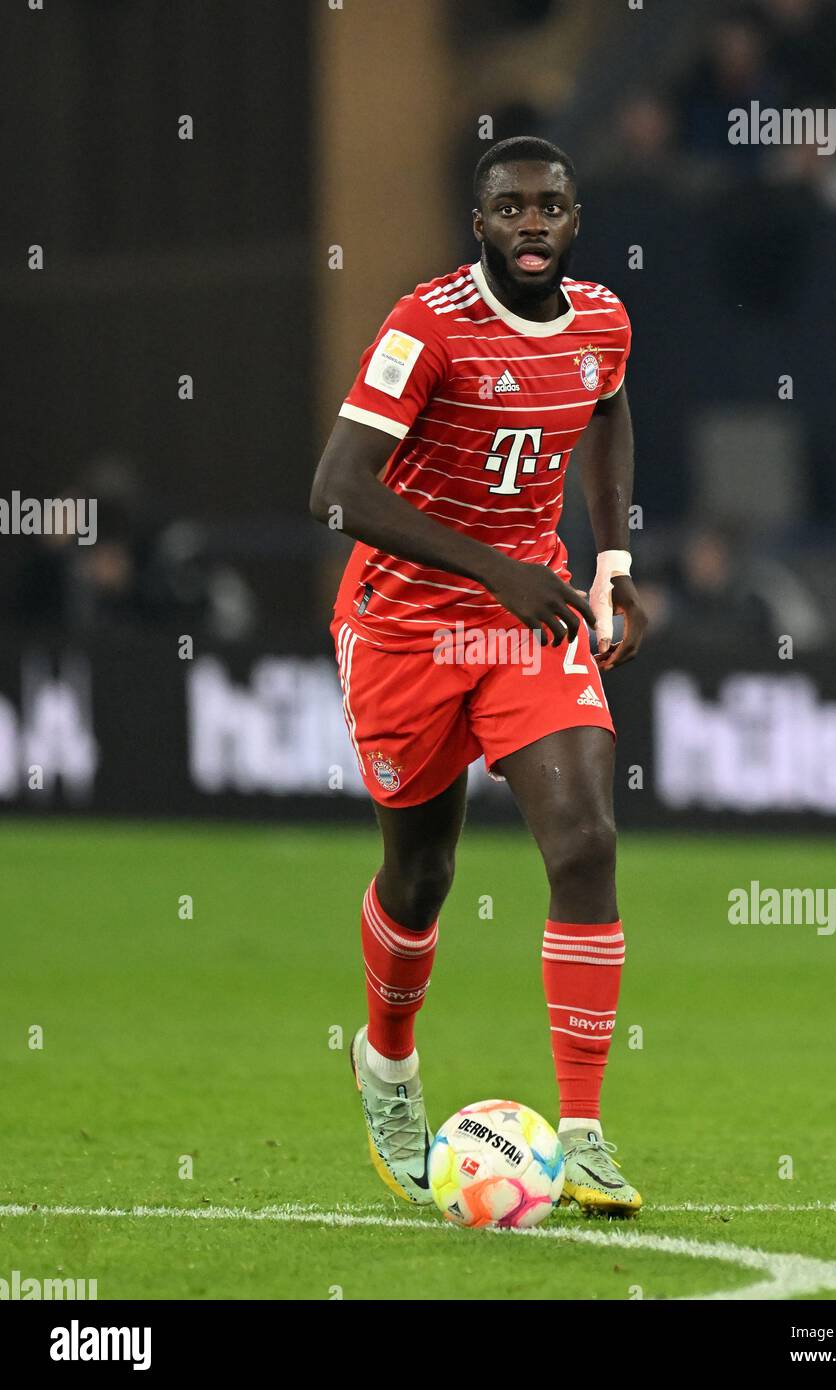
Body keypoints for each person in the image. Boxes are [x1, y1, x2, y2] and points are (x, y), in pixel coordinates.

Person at [310, 136, 648, 1216]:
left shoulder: (602, 322)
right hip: (408, 628)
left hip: (530, 619)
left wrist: (610, 561)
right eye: (512, 208)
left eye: (552, 206)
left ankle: (586, 1130)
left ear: (577, 220)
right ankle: (390, 1064)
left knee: (587, 839)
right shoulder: (428, 327)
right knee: (421, 877)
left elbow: (607, 403)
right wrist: (495, 566)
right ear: (482, 222)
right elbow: (339, 489)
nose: (533, 223)